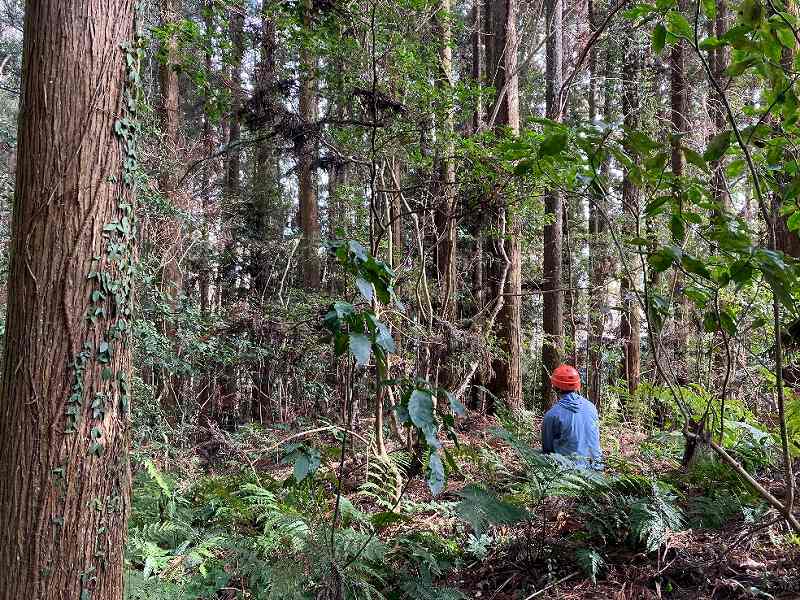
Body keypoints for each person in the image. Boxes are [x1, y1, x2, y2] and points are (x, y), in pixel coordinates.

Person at [541, 364, 603, 470]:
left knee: (538, 454)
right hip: (595, 469)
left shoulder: (551, 415)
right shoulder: (591, 407)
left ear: (555, 387)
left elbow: (547, 449)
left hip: (569, 473)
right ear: (577, 385)